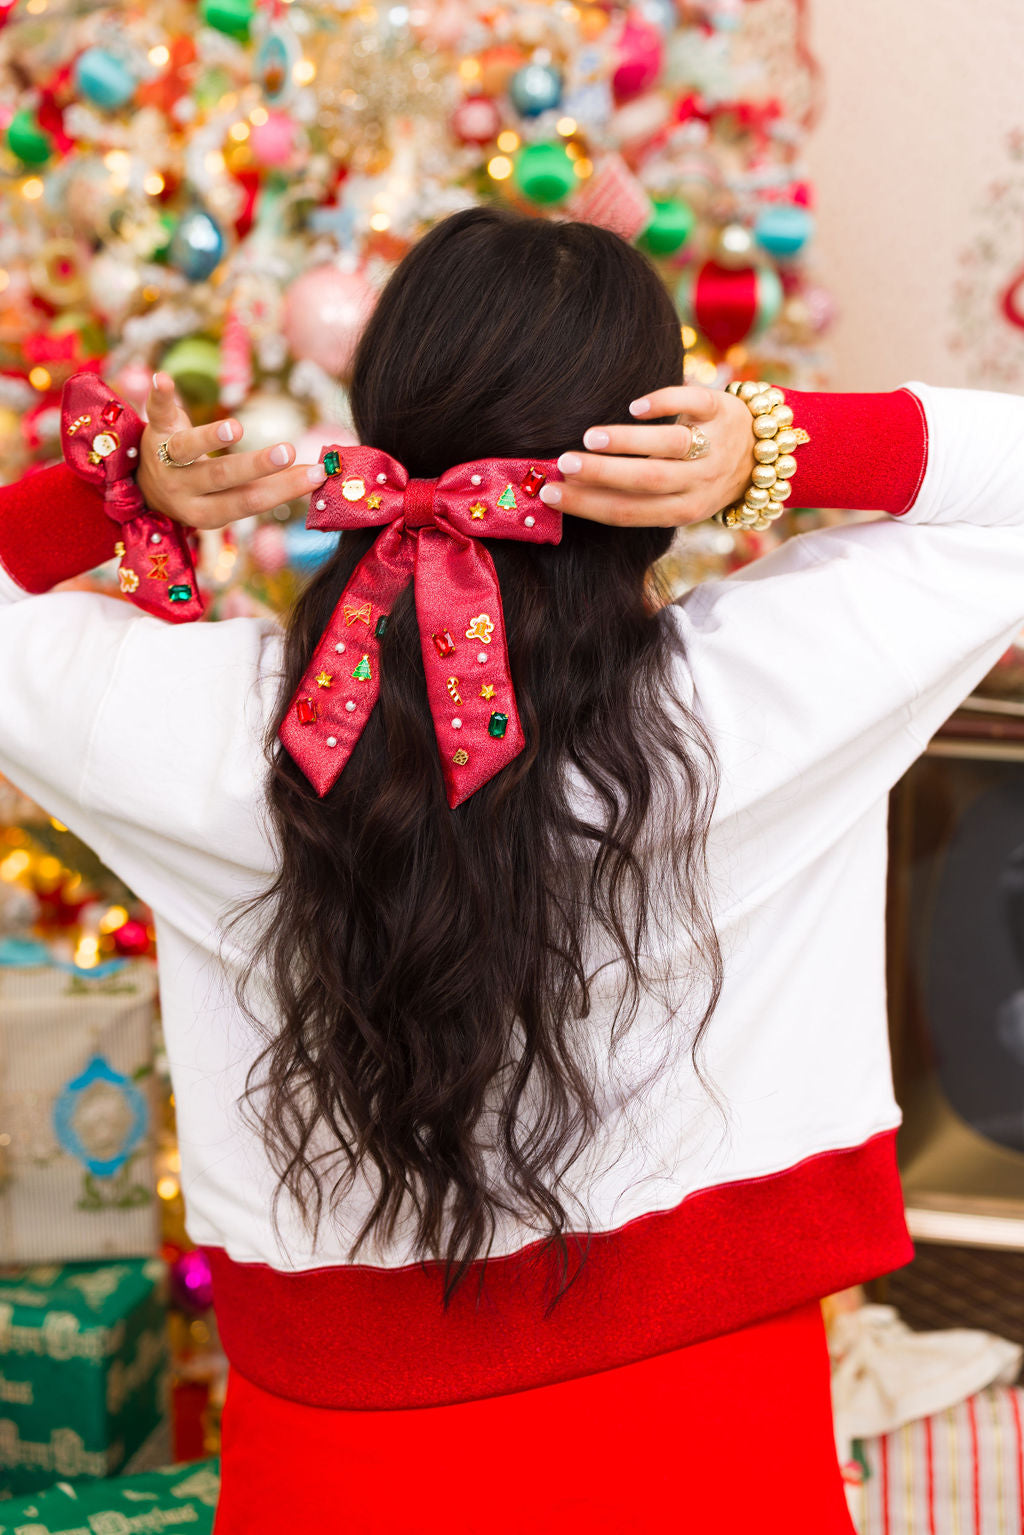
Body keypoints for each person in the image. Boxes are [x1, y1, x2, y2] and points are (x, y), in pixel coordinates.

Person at [2, 207, 1024, 1533]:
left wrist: (107, 500)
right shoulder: (769, 692)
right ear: (652, 446)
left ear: (380, 414)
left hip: (339, 1461)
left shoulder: (210, 732)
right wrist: (774, 445)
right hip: (710, 1439)